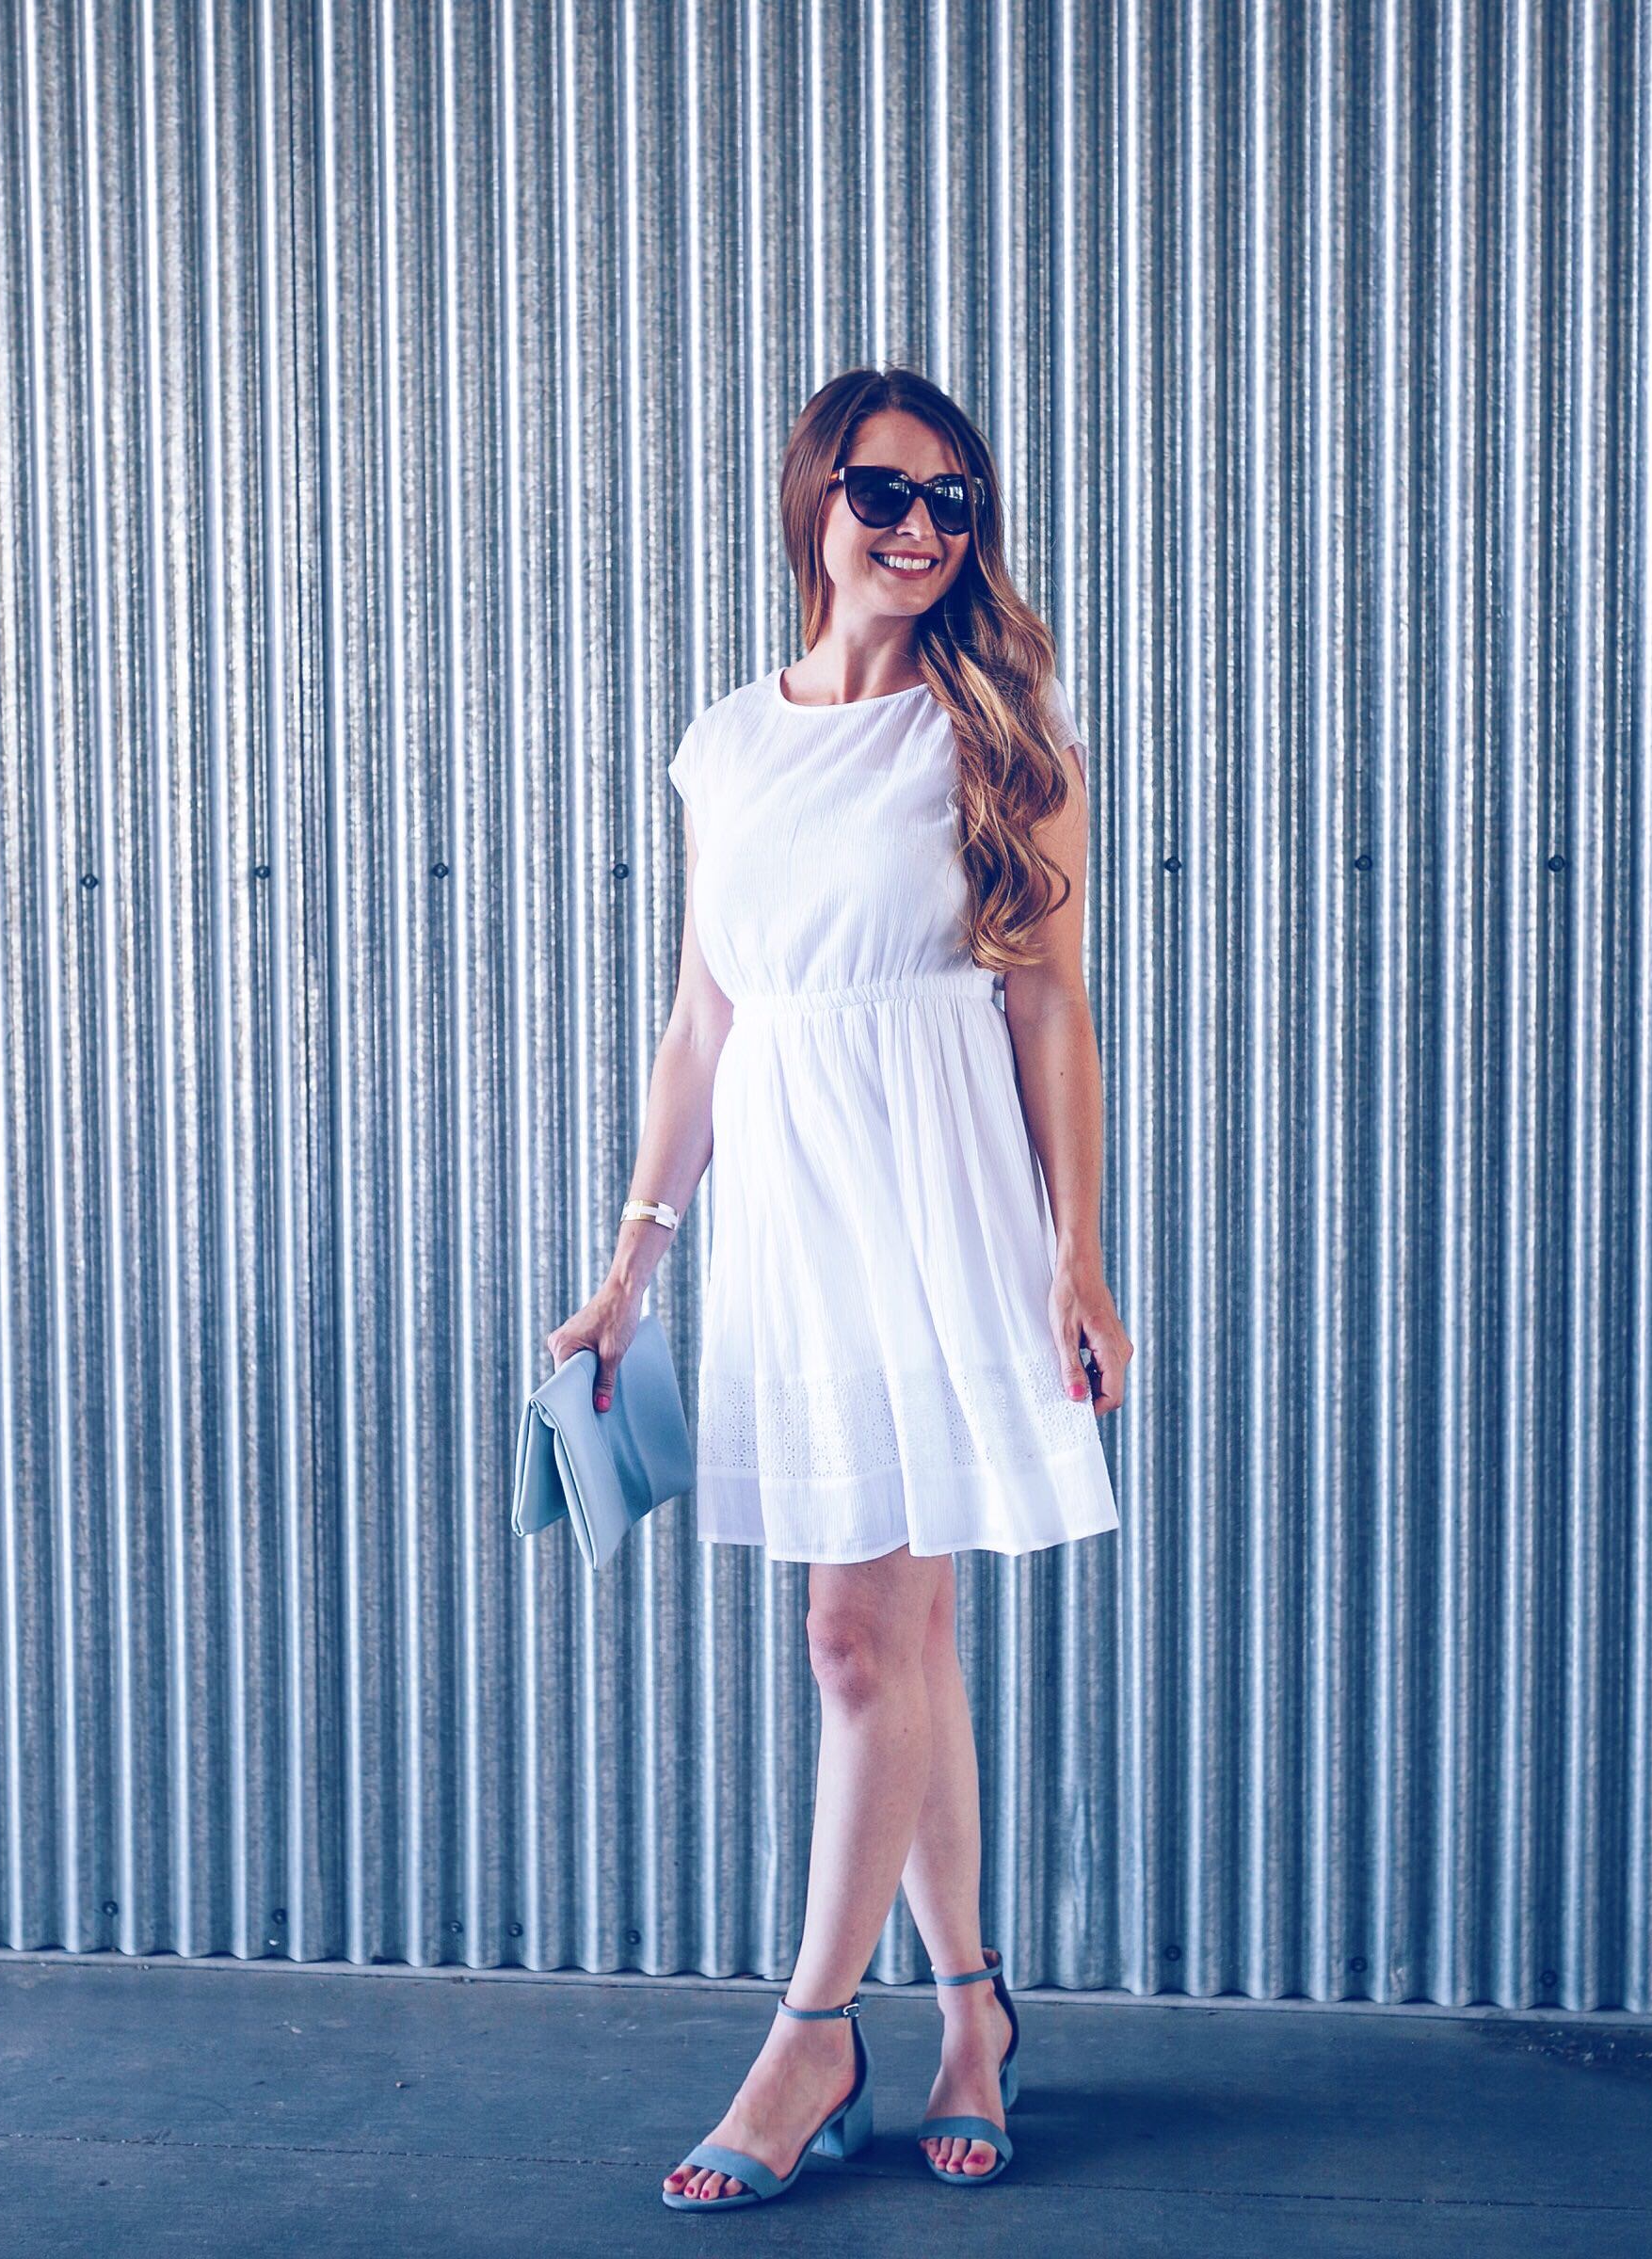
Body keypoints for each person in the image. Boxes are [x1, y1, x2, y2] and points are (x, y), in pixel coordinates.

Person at [542, 365, 1131, 2211]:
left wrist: (1078, 1260)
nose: (921, 529)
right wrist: (633, 1258)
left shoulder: (1001, 730)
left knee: (857, 1640)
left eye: (955, 503)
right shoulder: (724, 744)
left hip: (945, 1197)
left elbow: (1049, 1004)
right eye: (886, 490)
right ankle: (971, 2017)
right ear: (813, 501)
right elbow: (709, 1016)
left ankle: (812, 2033)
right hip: (796, 1212)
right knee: (905, 1642)